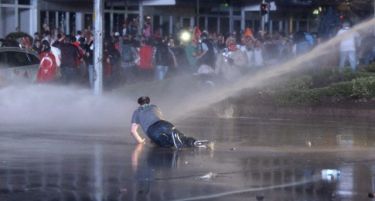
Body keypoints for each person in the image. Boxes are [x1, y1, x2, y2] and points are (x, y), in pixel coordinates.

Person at [130, 96, 211, 149]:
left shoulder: (136, 112)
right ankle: (193, 142)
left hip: (152, 130)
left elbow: (133, 131)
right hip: (163, 124)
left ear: (139, 103)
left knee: (164, 143)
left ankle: (170, 142)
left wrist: (141, 141)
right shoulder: (154, 107)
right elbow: (160, 117)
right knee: (181, 137)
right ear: (148, 102)